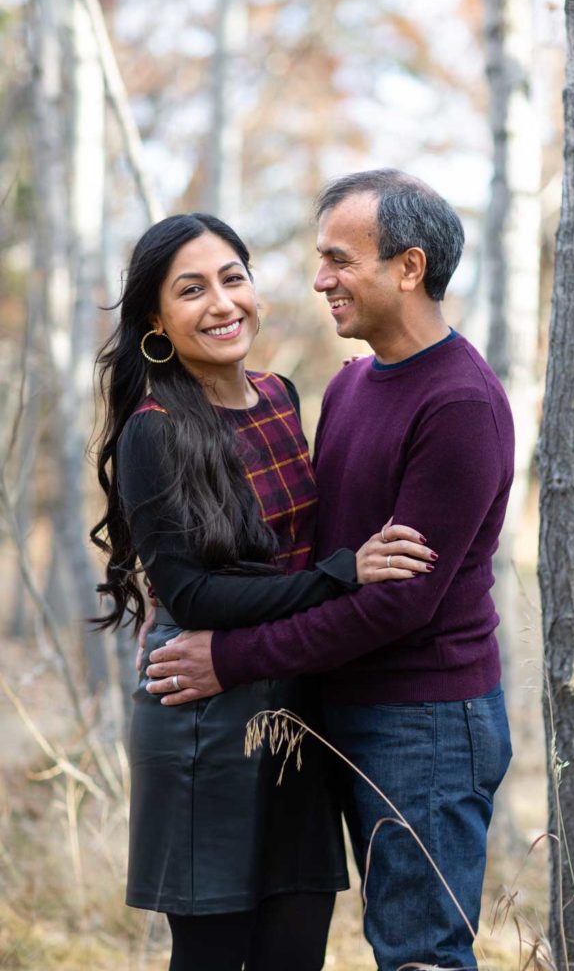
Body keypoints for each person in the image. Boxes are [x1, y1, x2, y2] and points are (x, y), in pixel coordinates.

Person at [146, 171, 515, 970]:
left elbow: (398, 607)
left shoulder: (459, 404)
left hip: (425, 723)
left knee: (421, 953)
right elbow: (320, 557)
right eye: (320, 260)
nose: (319, 280)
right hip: (331, 708)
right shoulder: (350, 385)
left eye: (339, 260)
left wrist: (229, 657)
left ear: (408, 268)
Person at [90, 211, 436, 971]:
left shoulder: (281, 396)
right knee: (214, 951)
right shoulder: (155, 431)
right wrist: (337, 576)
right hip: (202, 716)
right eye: (191, 290)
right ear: (156, 319)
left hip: (295, 712)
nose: (221, 304)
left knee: (296, 942)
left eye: (232, 278)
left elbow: (299, 540)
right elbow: (192, 593)